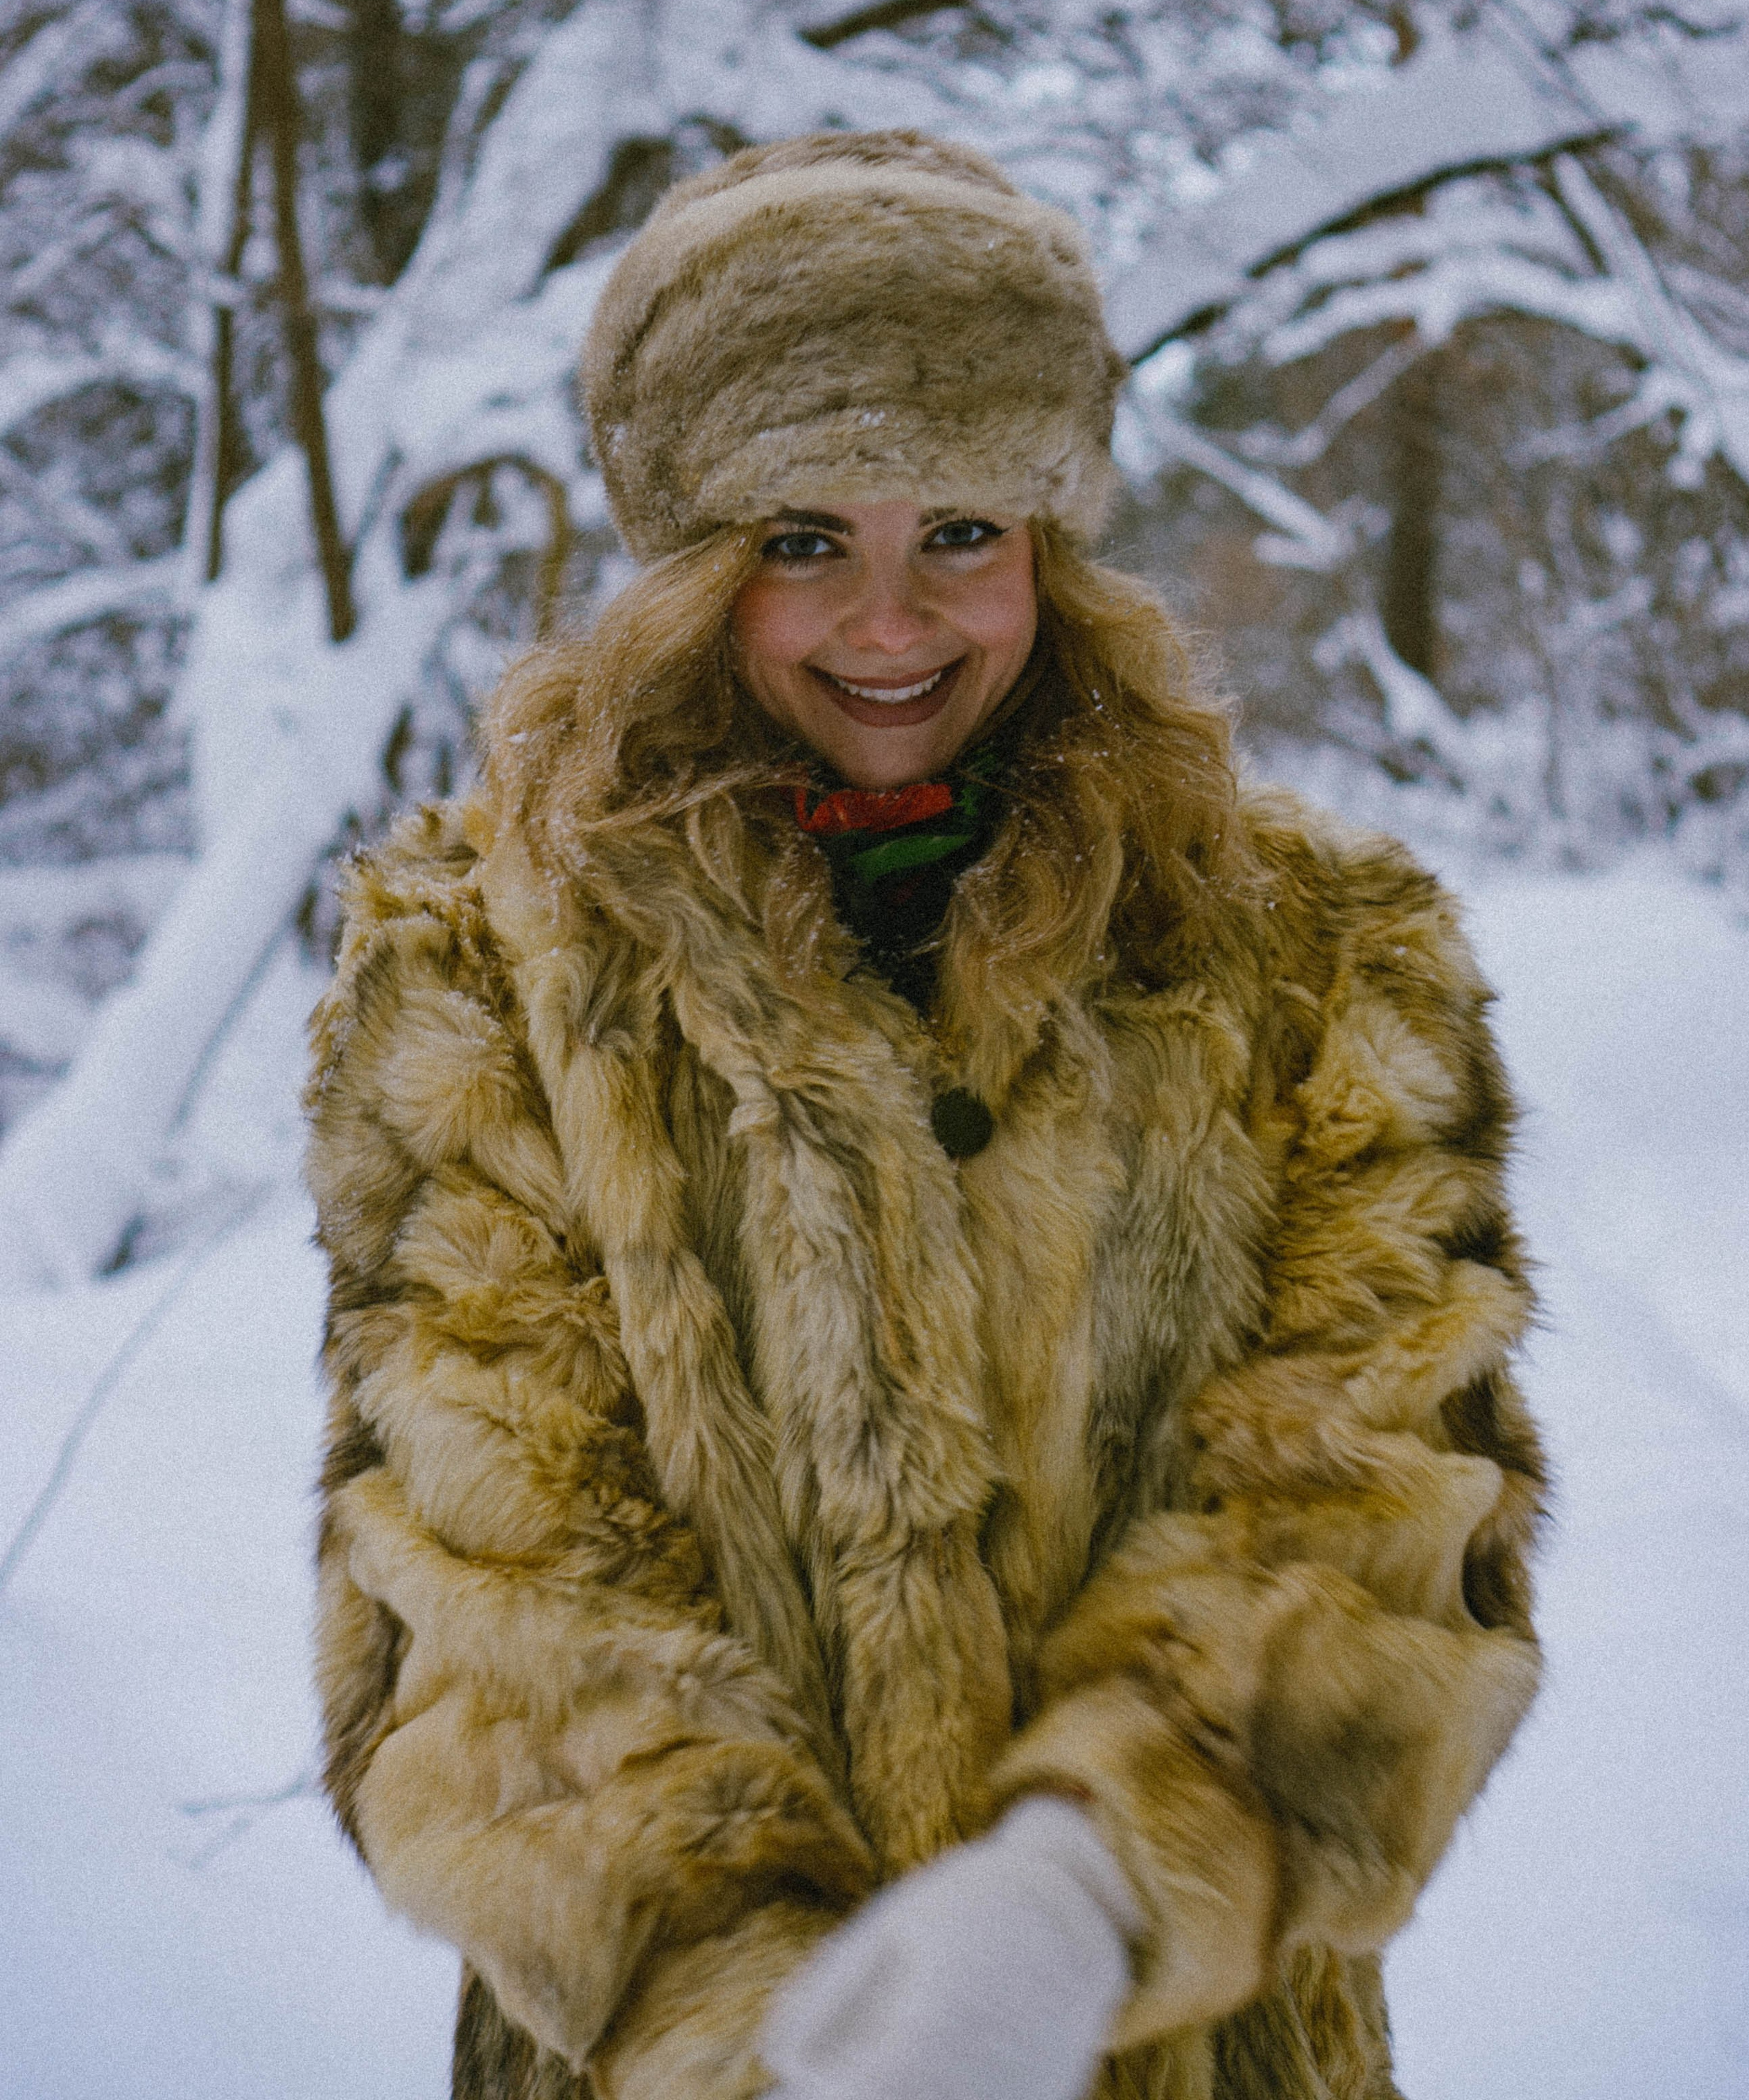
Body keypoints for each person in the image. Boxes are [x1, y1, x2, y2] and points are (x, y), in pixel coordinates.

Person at [306, 130, 1545, 2100]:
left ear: (1051, 537)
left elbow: (1378, 1497)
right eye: (804, 541)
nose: (893, 624)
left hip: (1198, 2039)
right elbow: (485, 1582)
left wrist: (1086, 1892)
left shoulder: (1325, 958)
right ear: (691, 568)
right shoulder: (482, 975)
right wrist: (755, 2020)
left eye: (959, 529)